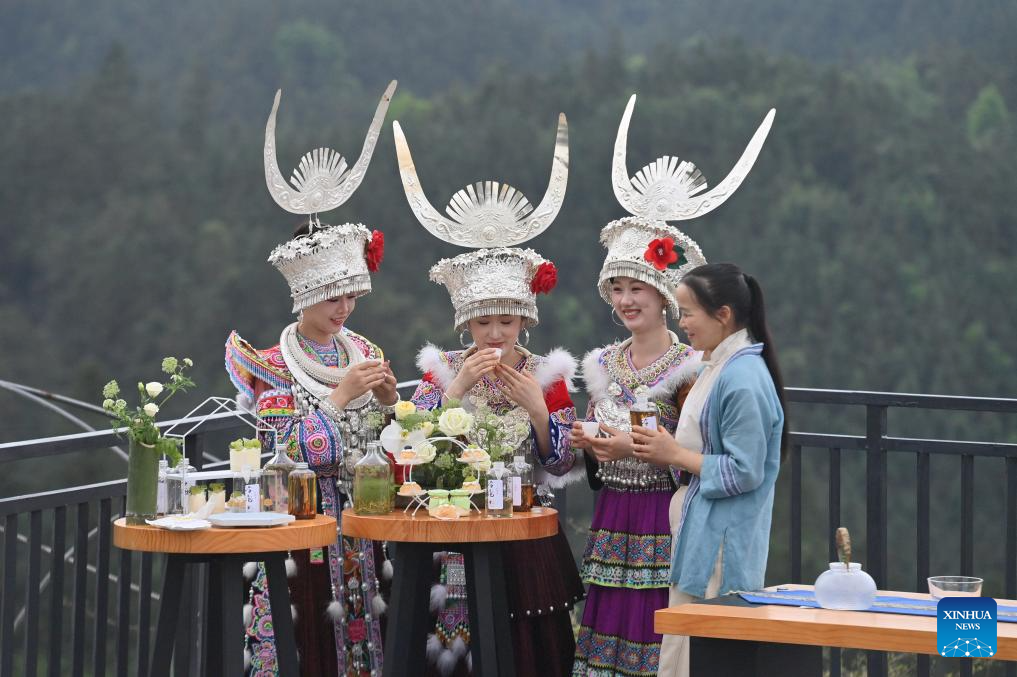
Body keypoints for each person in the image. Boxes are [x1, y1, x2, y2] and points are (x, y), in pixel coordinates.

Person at [394, 113, 585, 676]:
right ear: (465, 326)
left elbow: (564, 462)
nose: (496, 334)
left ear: (525, 321)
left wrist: (537, 410)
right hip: (451, 529)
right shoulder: (441, 372)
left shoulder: (546, 375)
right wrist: (455, 390)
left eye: (506, 322)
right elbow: (407, 451)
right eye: (483, 324)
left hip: (522, 529)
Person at [225, 84, 399, 676]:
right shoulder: (272, 366)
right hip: (300, 535)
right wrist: (341, 396)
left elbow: (386, 443)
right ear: (304, 296)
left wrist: (390, 404)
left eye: (351, 296)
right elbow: (285, 454)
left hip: (363, 528)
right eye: (332, 298)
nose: (344, 309)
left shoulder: (364, 349)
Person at [630, 263, 787, 677]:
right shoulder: (717, 365)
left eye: (687, 313)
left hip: (722, 541)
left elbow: (745, 471)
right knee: (685, 650)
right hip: (702, 531)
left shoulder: (742, 378)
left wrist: (674, 454)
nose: (682, 324)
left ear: (723, 315)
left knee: (704, 654)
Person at [570, 216, 705, 676]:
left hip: (662, 515)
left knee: (655, 626)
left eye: (636, 288)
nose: (626, 300)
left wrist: (636, 448)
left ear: (663, 294)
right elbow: (596, 433)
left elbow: (695, 451)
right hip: (614, 510)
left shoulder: (690, 367)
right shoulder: (603, 363)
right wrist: (589, 442)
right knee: (608, 621)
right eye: (617, 289)